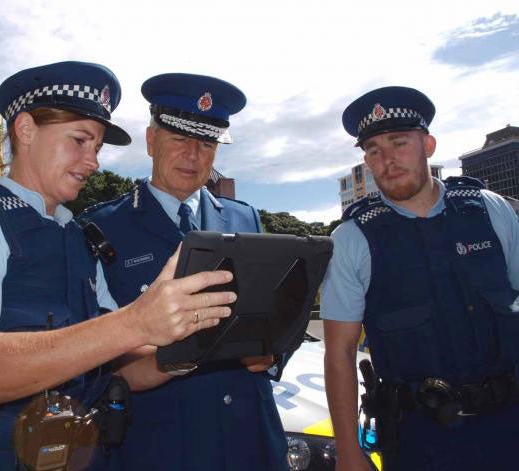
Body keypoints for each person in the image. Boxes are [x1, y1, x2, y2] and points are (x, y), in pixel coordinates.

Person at [0, 62, 237, 470]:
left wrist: (197, 338)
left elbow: (121, 367)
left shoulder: (80, 237)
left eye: (98, 148)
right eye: (80, 141)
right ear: (26, 129)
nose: (93, 162)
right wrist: (135, 322)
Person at [82, 73, 289, 470]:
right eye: (179, 139)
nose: (193, 155)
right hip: (158, 445)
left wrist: (272, 355)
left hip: (249, 439)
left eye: (207, 142)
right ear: (150, 140)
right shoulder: (101, 228)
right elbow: (94, 353)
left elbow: (277, 315)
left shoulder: (245, 218)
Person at [322, 86, 519, 470]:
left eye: (399, 143)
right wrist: (349, 451)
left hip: (509, 421)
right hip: (417, 439)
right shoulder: (352, 239)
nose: (387, 160)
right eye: (374, 151)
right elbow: (340, 353)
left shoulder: (489, 210)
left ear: (427, 144)